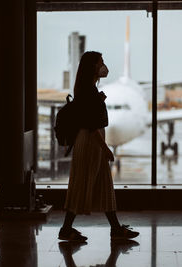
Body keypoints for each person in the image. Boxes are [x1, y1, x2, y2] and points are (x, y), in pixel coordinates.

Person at [58, 51, 139, 241]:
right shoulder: (87, 89)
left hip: (92, 142)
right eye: (101, 62)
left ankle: (116, 229)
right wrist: (105, 148)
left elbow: (88, 115)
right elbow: (90, 125)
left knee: (104, 185)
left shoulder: (88, 89)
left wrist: (98, 101)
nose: (104, 66)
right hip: (90, 143)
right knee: (81, 185)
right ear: (92, 67)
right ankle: (67, 229)